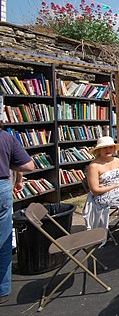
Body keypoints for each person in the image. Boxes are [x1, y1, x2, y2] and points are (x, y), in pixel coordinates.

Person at [0, 127, 34, 304]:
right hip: (2, 186)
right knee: (4, 239)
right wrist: (8, 165)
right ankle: (3, 289)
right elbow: (28, 165)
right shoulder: (6, 137)